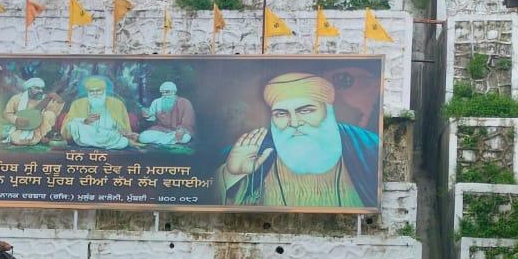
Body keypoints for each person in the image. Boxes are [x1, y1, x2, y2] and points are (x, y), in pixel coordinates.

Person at [216, 72, 379, 207]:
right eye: (281, 113)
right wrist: (232, 174)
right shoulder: (254, 151)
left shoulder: (369, 147)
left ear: (328, 111)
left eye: (306, 110)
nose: (293, 123)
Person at [60, 75, 135, 150]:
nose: (95, 93)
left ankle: (110, 141)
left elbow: (123, 126)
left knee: (123, 141)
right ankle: (108, 142)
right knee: (74, 124)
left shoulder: (117, 104)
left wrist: (124, 132)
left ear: (104, 90)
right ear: (88, 92)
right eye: (91, 91)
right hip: (87, 136)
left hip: (109, 135)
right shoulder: (78, 104)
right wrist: (85, 121)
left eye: (98, 90)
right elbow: (68, 125)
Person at [2, 77, 59, 146]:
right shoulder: (16, 98)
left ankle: (42, 136)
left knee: (50, 114)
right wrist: (16, 119)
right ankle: (38, 139)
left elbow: (54, 112)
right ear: (29, 89)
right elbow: (7, 114)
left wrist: (59, 101)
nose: (40, 91)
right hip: (22, 128)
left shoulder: (45, 99)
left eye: (41, 88)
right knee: (16, 139)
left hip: (39, 129)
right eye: (37, 88)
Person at [137, 81, 196, 147]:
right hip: (160, 130)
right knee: (143, 137)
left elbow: (188, 121)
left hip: (178, 131)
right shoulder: (156, 102)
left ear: (174, 92)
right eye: (162, 92)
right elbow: (152, 118)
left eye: (167, 92)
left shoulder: (185, 103)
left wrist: (182, 130)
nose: (164, 95)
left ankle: (165, 140)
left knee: (185, 138)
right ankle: (170, 140)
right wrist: (147, 116)